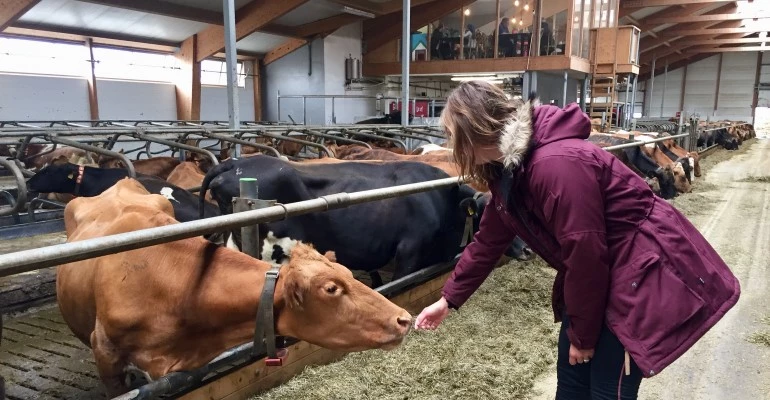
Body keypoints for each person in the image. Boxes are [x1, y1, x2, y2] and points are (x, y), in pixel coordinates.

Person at [414, 81, 740, 399]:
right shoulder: (508, 171)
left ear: (475, 130)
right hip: (597, 277)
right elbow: (488, 241)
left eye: (452, 135)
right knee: (571, 383)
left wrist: (583, 337)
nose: (450, 143)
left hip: (637, 274)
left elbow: (585, 252)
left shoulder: (556, 164)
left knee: (606, 389)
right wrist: (448, 299)